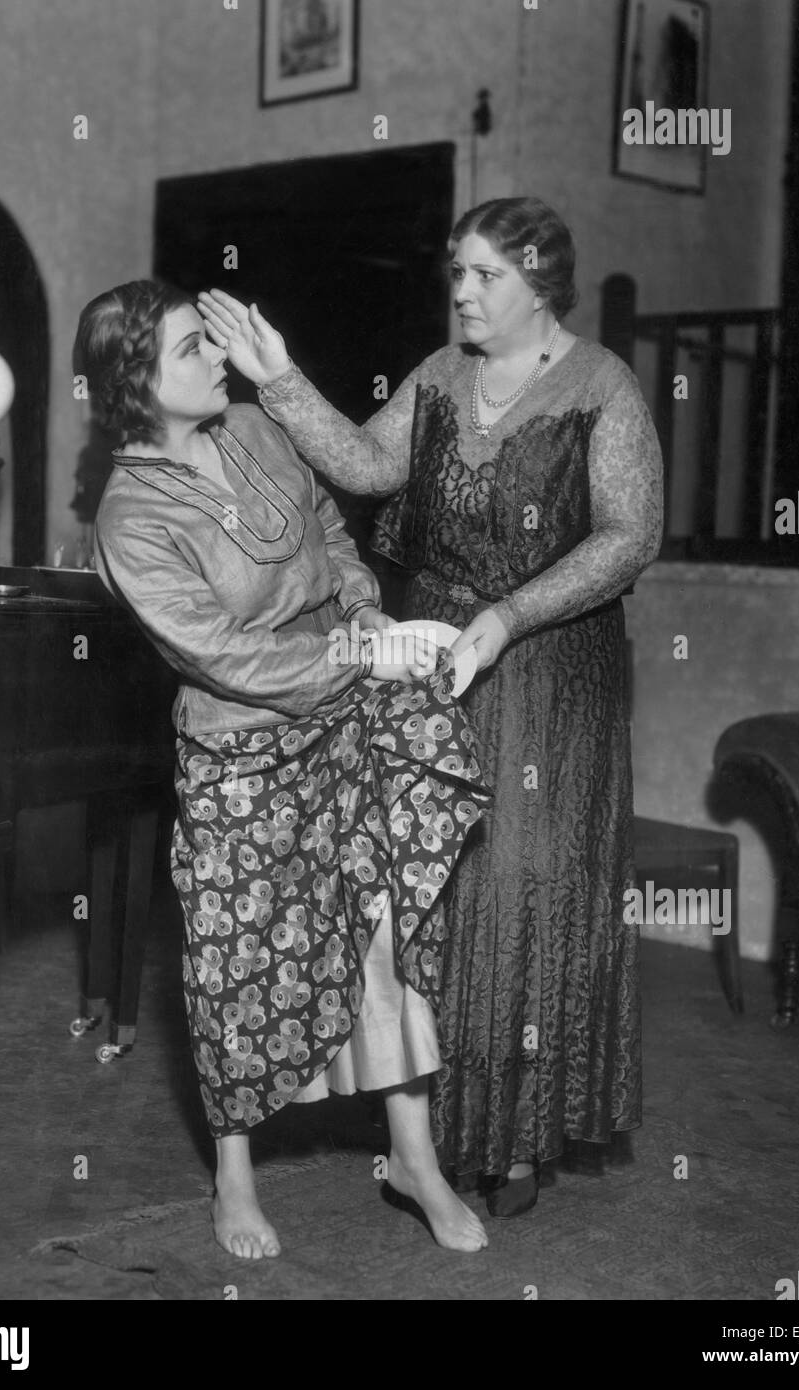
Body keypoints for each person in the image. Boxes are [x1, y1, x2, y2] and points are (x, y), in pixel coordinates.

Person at [198, 195, 664, 1218]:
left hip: (552, 664)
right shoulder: (441, 374)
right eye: (453, 269)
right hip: (431, 653)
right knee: (437, 885)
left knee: (532, 884)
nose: (459, 290)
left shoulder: (603, 385)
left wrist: (507, 614)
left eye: (482, 274)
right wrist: (278, 375)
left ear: (538, 279)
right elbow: (367, 464)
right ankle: (431, 1132)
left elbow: (629, 537)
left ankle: (517, 1137)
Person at [76, 280, 493, 1259]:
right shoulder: (127, 519)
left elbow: (330, 531)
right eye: (192, 348)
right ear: (137, 382)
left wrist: (363, 614)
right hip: (239, 754)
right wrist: (353, 659)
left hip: (344, 721)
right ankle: (233, 1176)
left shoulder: (259, 428)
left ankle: (415, 1162)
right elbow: (222, 654)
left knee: (383, 927)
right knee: (239, 962)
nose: (220, 359)